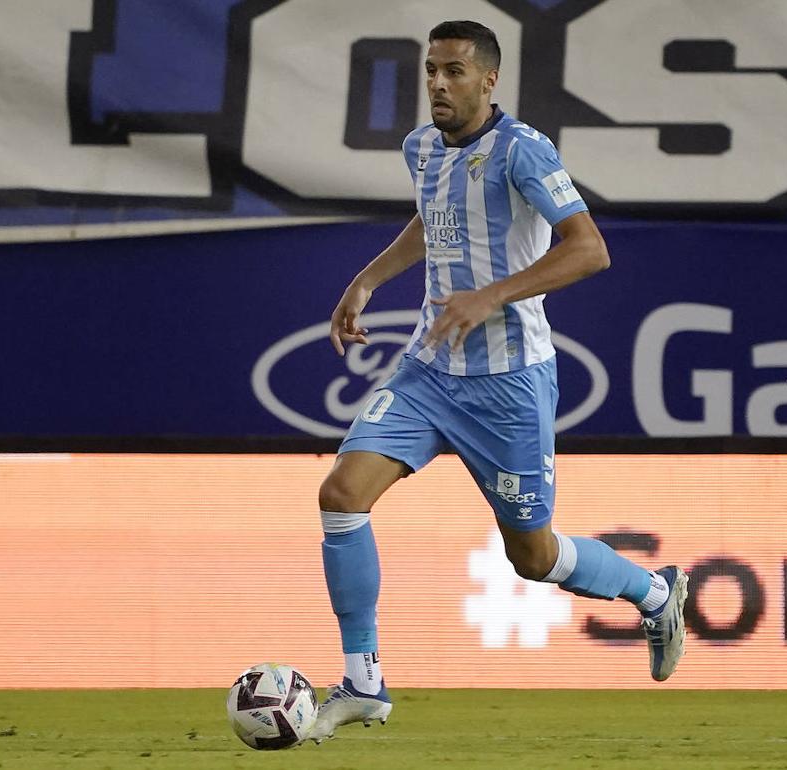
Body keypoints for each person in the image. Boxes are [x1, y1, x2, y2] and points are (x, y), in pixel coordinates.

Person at [311, 20, 688, 743]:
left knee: (534, 557)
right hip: (430, 368)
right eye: (431, 72)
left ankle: (654, 591)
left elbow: (590, 250)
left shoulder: (523, 151)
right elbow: (433, 220)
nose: (438, 86)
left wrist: (492, 295)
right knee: (341, 495)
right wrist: (368, 279)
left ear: (489, 80)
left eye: (454, 72)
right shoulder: (421, 148)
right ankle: (363, 682)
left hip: (509, 382)